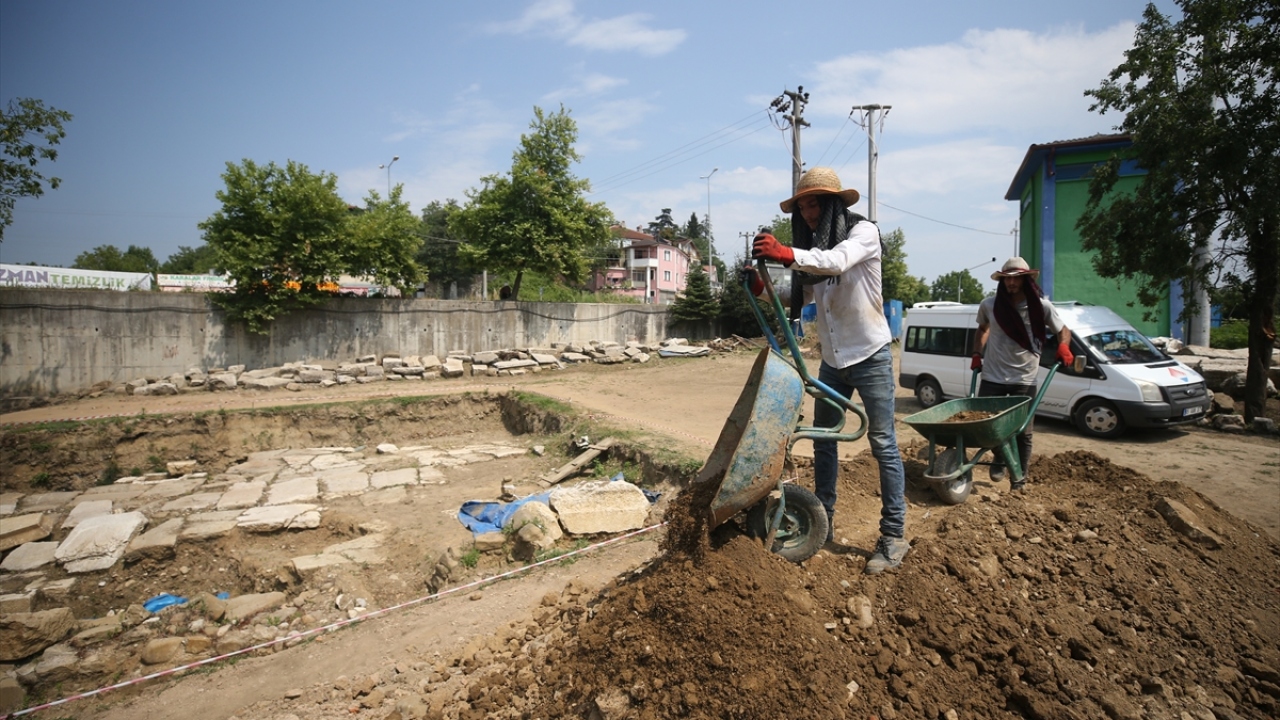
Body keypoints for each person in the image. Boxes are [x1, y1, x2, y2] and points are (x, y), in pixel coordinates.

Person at [750, 167, 909, 575]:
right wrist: (762, 284)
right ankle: (824, 518)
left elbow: (837, 262)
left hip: (870, 356)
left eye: (815, 203)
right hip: (834, 362)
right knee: (824, 441)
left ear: (834, 203)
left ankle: (893, 536)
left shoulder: (863, 234)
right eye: (802, 206)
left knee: (884, 444)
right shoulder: (813, 252)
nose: (807, 213)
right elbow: (798, 294)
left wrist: (786, 254)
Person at [971, 257, 1073, 490]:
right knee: (988, 426)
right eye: (1007, 280)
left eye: (1016, 279)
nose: (1011, 284)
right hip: (992, 377)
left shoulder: (1041, 307)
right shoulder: (990, 305)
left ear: (1026, 280)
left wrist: (1064, 346)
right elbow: (982, 329)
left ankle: (1020, 479)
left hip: (1024, 379)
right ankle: (999, 457)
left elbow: (1063, 331)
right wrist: (977, 352)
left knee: (1023, 432)